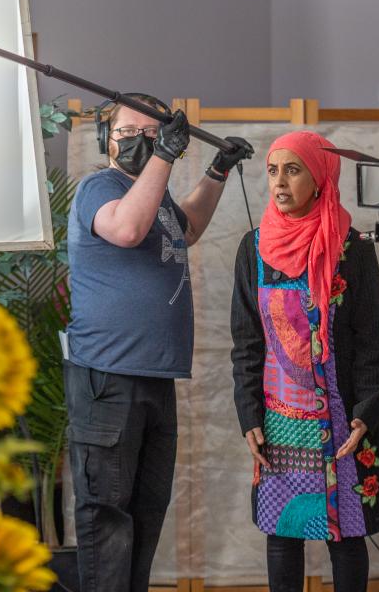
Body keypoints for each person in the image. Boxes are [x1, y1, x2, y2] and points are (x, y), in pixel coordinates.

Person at [64, 93, 250, 592]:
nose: (142, 142)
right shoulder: (98, 188)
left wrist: (217, 171)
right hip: (108, 378)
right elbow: (126, 229)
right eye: (130, 133)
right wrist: (165, 156)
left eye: (154, 134)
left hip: (154, 378)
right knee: (108, 520)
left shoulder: (153, 192)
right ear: (108, 138)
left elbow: (185, 230)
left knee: (146, 516)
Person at [230, 131, 379, 592]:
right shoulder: (255, 248)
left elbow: (371, 341)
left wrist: (365, 414)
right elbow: (246, 342)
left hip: (342, 420)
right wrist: (249, 415)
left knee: (345, 532)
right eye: (272, 170)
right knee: (282, 531)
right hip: (278, 418)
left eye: (293, 169)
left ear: (321, 176)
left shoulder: (352, 248)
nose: (279, 182)